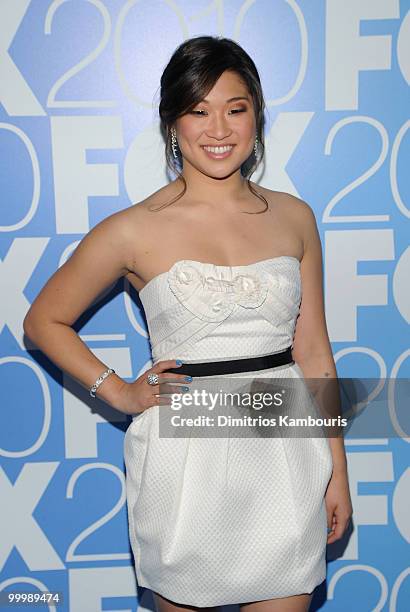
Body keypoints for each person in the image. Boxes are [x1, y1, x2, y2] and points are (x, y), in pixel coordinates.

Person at [23, 36, 353, 612]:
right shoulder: (132, 228)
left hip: (285, 454)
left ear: (257, 116)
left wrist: (337, 471)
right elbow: (44, 320)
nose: (218, 128)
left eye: (235, 107)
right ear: (172, 122)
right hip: (185, 460)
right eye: (198, 110)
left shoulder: (295, 217)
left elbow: (316, 355)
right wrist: (119, 392)